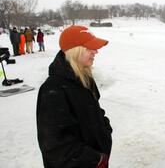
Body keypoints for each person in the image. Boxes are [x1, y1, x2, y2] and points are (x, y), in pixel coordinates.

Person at [36, 25, 112, 168]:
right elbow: (55, 147)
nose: (96, 51)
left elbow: (95, 110)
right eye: (90, 48)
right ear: (75, 51)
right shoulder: (52, 90)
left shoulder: (85, 78)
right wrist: (95, 159)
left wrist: (105, 130)